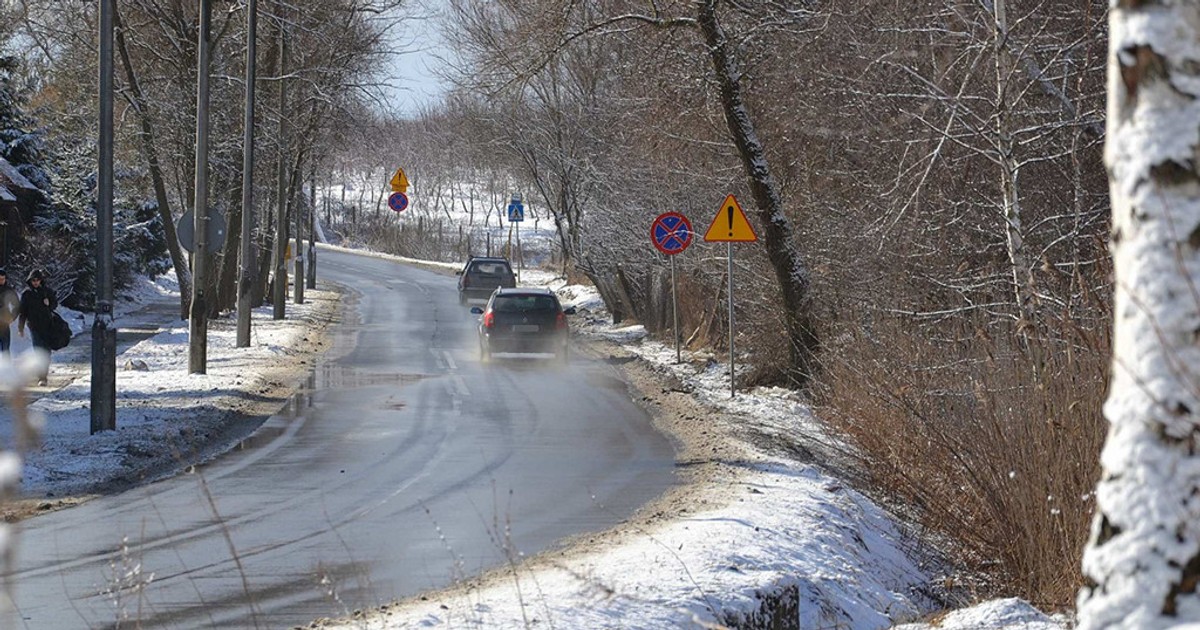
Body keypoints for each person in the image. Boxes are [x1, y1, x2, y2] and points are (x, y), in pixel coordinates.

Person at [18, 268, 56, 384]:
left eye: (37, 280)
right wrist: (21, 327)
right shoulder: (27, 294)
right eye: (33, 280)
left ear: (41, 281)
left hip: (48, 325)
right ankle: (42, 377)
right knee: (39, 350)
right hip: (34, 326)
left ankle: (44, 373)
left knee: (47, 351)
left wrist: (49, 304)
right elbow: (23, 311)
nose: (35, 282)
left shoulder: (47, 292)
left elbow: (54, 305)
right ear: (30, 281)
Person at [0, 269, 19, 356]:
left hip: (4, 321)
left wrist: (13, 317)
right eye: (0, 279)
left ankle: (6, 368)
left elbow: (17, 305)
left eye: (3, 279)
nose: (1, 281)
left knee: (5, 349)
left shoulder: (8, 290)